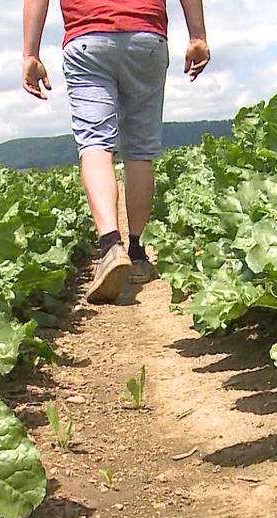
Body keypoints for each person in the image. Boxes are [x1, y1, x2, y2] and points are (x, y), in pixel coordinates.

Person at [23, 0, 210, 304]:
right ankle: (137, 254)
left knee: (95, 144)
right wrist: (197, 36)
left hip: (87, 39)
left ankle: (111, 245)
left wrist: (30, 53)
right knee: (139, 151)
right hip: (145, 36)